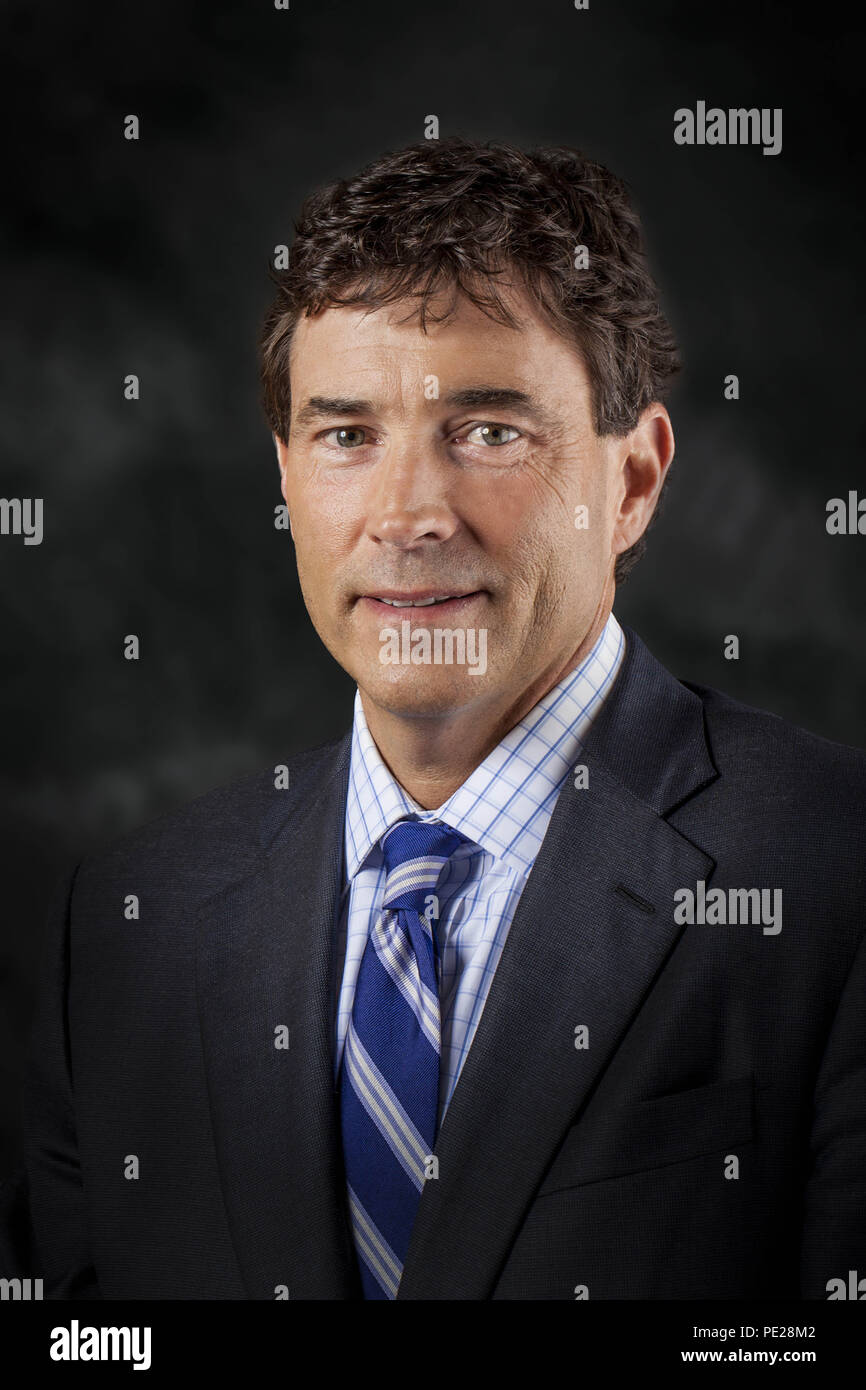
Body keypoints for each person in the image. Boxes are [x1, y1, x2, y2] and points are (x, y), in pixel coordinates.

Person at [3, 137, 864, 1300]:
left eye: (488, 429)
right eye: (347, 435)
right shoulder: (125, 928)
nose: (406, 514)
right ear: (287, 477)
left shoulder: (828, 871)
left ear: (633, 481)